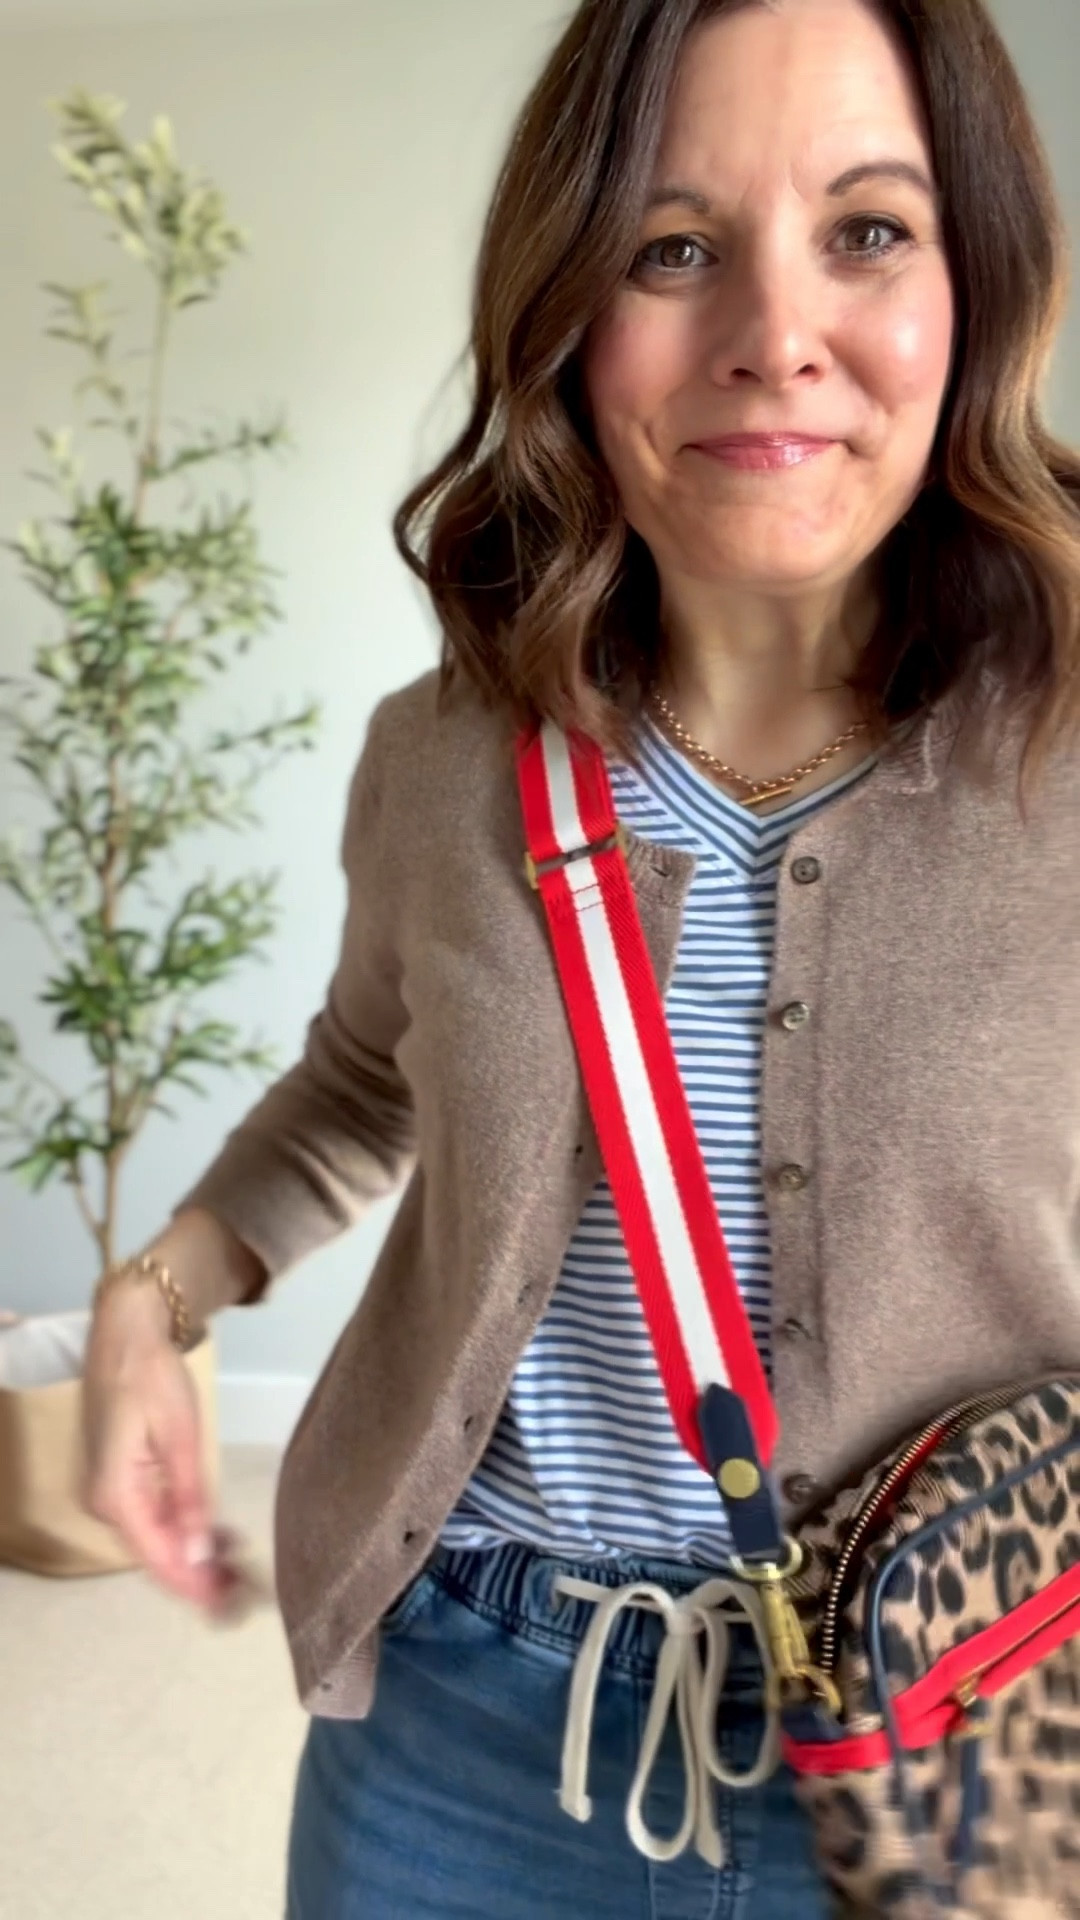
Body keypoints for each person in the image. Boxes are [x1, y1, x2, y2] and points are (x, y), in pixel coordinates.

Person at [83, 0, 1080, 1914]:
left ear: (981, 283)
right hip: (454, 1737)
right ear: (570, 308)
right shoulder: (440, 756)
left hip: (959, 1738)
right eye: (673, 247)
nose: (771, 332)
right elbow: (366, 1082)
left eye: (868, 231)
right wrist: (159, 1290)